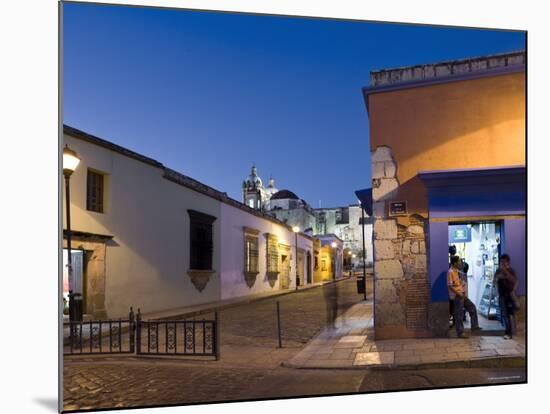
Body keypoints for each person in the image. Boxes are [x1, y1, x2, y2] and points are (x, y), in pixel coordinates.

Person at [448, 255, 481, 338]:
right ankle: (460, 333)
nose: (460, 263)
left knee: (472, 307)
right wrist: (459, 293)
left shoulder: (457, 271)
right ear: (455, 263)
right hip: (457, 296)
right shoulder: (450, 272)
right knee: (459, 314)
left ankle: (475, 326)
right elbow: (450, 286)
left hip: (461, 295)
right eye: (459, 261)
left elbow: (458, 283)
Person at [495, 254, 519, 339]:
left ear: (508, 262)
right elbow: (495, 282)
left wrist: (506, 273)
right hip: (502, 296)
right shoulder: (498, 271)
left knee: (511, 314)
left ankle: (512, 332)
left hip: (509, 295)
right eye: (501, 261)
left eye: (503, 262)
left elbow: (515, 281)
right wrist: (497, 293)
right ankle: (508, 332)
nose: (502, 263)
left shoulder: (511, 271)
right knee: (505, 314)